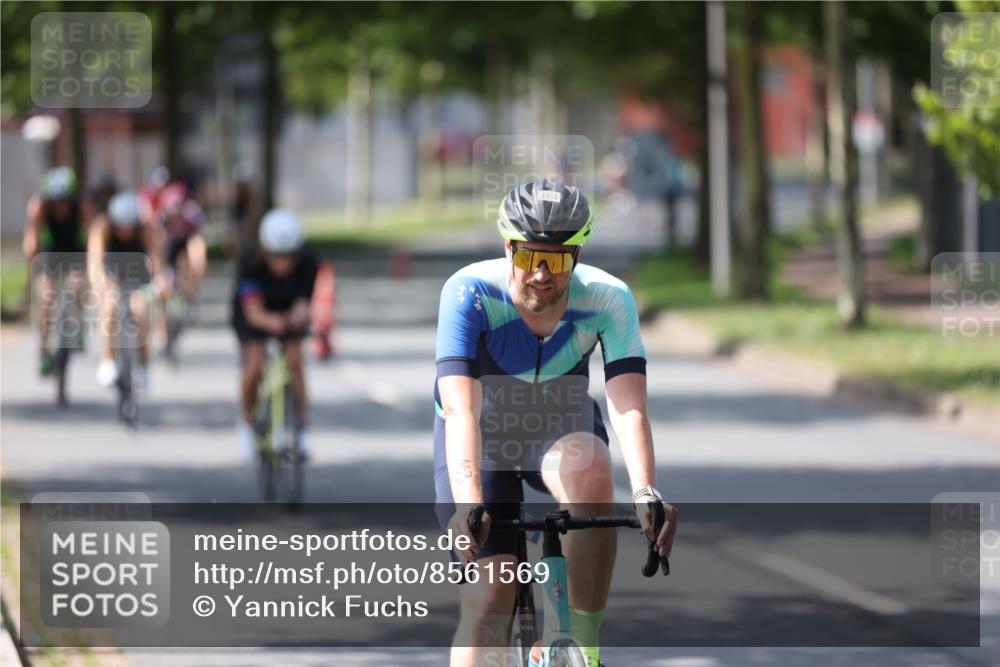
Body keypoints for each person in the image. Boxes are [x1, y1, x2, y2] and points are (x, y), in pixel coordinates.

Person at [434, 178, 678, 667]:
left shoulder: (609, 299)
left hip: (559, 426)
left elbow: (628, 406)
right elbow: (461, 410)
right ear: (508, 248)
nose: (542, 274)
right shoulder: (470, 292)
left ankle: (581, 647)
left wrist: (646, 491)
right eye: (528, 257)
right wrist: (468, 504)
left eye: (559, 259)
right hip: (481, 436)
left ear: (578, 255)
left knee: (590, 472)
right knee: (489, 601)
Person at [231, 208, 318, 459]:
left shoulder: (308, 262)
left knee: (295, 361)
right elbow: (253, 313)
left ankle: (301, 429)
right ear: (265, 251)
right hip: (254, 314)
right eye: (276, 256)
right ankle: (247, 425)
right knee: (254, 366)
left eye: (289, 256)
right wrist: (276, 323)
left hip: (287, 310)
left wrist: (297, 317)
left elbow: (304, 303)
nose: (283, 262)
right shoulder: (250, 263)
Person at [87, 191, 164, 392]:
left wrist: (157, 282)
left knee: (139, 311)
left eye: (131, 227)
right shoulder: (101, 227)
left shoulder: (146, 229)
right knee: (110, 304)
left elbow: (155, 260)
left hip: (138, 275)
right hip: (111, 274)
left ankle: (144, 366)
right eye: (122, 227)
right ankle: (107, 360)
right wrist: (99, 285)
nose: (126, 232)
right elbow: (95, 261)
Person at [22, 167, 91, 376]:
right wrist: (31, 268)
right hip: (49, 253)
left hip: (74, 252)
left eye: (65, 200)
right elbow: (32, 238)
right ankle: (43, 351)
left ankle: (77, 325)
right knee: (45, 300)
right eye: (56, 201)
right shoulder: (39, 207)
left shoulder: (82, 208)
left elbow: (92, 236)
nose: (60, 206)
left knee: (76, 286)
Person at [154, 182, 206, 318]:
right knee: (163, 269)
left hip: (187, 242)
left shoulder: (193, 214)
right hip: (171, 245)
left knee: (196, 250)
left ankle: (191, 289)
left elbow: (197, 239)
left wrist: (195, 265)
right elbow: (157, 244)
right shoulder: (160, 219)